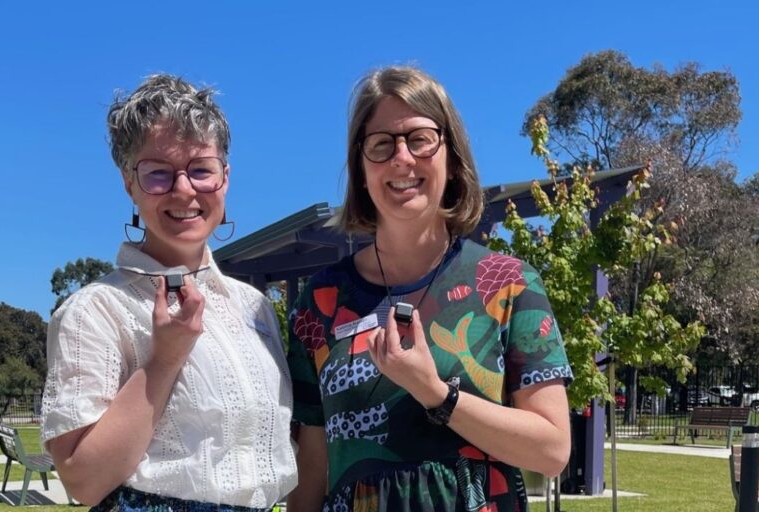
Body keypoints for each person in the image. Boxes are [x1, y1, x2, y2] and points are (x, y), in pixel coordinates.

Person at [286, 66, 572, 512]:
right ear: (361, 170)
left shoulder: (509, 285)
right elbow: (312, 463)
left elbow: (552, 451)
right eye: (381, 144)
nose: (402, 158)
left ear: (452, 159)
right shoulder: (319, 304)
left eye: (420, 139)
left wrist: (437, 394)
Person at [41, 74, 297, 511]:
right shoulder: (95, 312)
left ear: (225, 177)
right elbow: (83, 480)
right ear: (129, 184)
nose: (183, 190)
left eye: (201, 169)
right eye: (158, 173)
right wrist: (164, 359)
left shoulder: (255, 307)